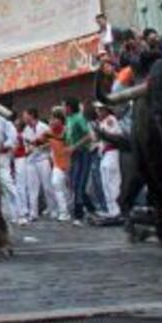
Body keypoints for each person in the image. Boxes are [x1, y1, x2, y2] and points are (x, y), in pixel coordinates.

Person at [64, 97, 96, 226]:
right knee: (74, 184)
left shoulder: (79, 118)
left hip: (83, 154)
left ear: (69, 107)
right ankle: (92, 209)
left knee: (79, 185)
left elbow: (89, 136)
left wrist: (74, 147)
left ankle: (79, 216)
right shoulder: (69, 119)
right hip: (74, 156)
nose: (63, 109)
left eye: (64, 106)